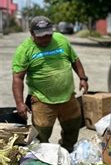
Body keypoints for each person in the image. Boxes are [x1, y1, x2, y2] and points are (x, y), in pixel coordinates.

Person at [12, 16, 89, 152]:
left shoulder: (60, 39)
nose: (46, 39)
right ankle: (43, 160)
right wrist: (19, 103)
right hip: (42, 100)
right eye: (41, 36)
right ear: (32, 33)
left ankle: (67, 151)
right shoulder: (24, 50)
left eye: (48, 35)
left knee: (73, 126)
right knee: (41, 136)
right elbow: (18, 78)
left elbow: (74, 59)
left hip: (67, 97)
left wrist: (83, 78)